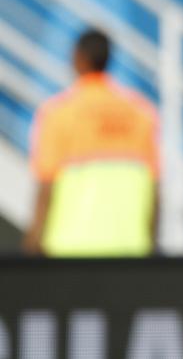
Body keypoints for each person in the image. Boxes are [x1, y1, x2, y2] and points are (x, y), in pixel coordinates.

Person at [23, 29, 159, 257]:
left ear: (78, 58)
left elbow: (46, 187)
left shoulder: (58, 113)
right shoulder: (141, 113)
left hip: (71, 250)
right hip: (129, 251)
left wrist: (33, 242)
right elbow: (154, 192)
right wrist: (151, 246)